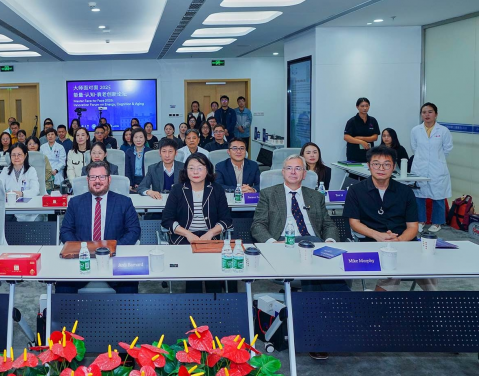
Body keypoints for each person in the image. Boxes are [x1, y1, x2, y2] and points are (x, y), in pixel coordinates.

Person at [251, 154, 348, 360]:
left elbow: (328, 224)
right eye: (289, 168)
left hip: (314, 243)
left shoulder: (315, 196)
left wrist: (330, 241)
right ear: (283, 172)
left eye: (298, 168)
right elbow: (257, 225)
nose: (293, 172)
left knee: (337, 273)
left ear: (305, 174)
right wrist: (272, 244)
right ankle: (317, 337)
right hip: (283, 245)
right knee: (313, 276)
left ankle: (337, 325)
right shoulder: (269, 194)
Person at [342, 146, 433, 291]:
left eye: (386, 164)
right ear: (369, 166)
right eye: (376, 164)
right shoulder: (356, 190)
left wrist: (398, 241)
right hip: (371, 241)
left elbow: (413, 227)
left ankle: (434, 301)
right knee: (392, 265)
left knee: (428, 267)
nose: (381, 168)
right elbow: (354, 223)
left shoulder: (405, 191)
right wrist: (378, 235)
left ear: (394, 167)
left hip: (403, 241)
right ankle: (380, 302)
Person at [57, 161, 141, 294]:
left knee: (129, 285)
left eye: (101, 177)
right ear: (87, 180)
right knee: (62, 285)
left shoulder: (124, 202)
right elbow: (65, 231)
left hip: (113, 259)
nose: (97, 181)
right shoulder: (75, 202)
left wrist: (113, 249)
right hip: (82, 259)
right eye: (93, 177)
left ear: (109, 179)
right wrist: (82, 250)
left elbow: (134, 231)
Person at [161, 153, 232, 293]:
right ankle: (194, 301)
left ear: (207, 170)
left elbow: (226, 219)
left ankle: (216, 301)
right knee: (193, 270)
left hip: (210, 237)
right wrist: (188, 234)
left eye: (200, 168)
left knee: (213, 271)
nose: (195, 172)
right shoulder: (177, 189)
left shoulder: (216, 189)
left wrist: (210, 234)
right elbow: (167, 219)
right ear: (186, 171)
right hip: (183, 238)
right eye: (191, 168)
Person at [411, 102, 453, 233]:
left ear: (436, 114)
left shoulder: (443, 131)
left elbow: (447, 149)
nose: (427, 115)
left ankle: (437, 222)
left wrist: (436, 160)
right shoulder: (416, 130)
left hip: (437, 168)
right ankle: (421, 221)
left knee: (438, 196)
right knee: (419, 195)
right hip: (420, 167)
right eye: (424, 112)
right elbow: (414, 147)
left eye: (430, 112)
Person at [0, 143, 40, 221]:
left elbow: (35, 190)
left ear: (25, 155)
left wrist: (21, 194)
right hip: (9, 210)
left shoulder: (31, 170)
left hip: (27, 210)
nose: (16, 157)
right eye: (13, 155)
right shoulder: (5, 170)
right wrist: (5, 194)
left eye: (19, 155)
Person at [343, 97, 380, 162]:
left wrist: (361, 138)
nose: (365, 108)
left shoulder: (372, 120)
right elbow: (346, 137)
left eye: (367, 106)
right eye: (362, 106)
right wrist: (361, 142)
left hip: (369, 153)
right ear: (357, 107)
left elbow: (375, 137)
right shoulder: (352, 121)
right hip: (354, 153)